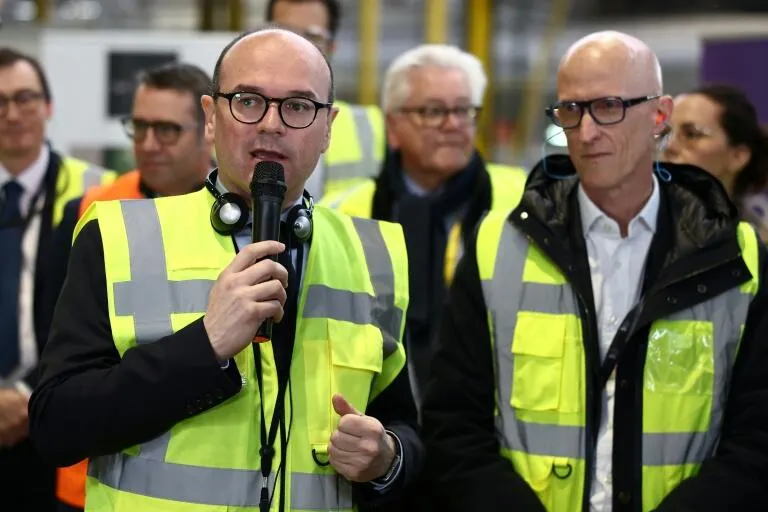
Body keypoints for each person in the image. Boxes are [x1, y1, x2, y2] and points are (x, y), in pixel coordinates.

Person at [29, 28, 423, 511]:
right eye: (248, 101)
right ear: (211, 117)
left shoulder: (374, 254)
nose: (271, 124)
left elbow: (404, 426)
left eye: (298, 106)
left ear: (328, 127)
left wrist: (387, 458)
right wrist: (205, 345)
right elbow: (56, 426)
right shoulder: (119, 237)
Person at [421, 30, 768, 512]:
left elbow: (756, 441)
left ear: (660, 117)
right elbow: (453, 426)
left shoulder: (736, 256)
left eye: (608, 107)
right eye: (571, 110)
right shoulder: (496, 248)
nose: (585, 133)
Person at [49, 61, 215, 512]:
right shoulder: (92, 211)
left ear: (209, 129)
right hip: (91, 476)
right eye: (139, 127)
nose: (148, 144)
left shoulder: (241, 222)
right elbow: (55, 340)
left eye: (167, 130)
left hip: (198, 475)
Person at [322, 43, 527, 405]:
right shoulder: (341, 215)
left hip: (495, 414)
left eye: (463, 110)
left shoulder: (525, 203)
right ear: (393, 126)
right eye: (433, 111)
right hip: (377, 414)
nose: (452, 124)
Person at [0, 47, 115, 511]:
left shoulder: (99, 192)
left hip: (54, 416)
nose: (12, 114)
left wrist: (26, 396)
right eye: (0, 101)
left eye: (25, 98)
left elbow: (103, 315)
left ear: (48, 106)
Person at [266, 0, 385, 199]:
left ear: (331, 47)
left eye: (312, 37)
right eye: (285, 33)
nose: (297, 47)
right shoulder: (234, 116)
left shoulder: (373, 126)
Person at [663, 84, 768, 241]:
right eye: (665, 133)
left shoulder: (758, 246)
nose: (669, 146)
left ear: (737, 157)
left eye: (691, 134)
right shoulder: (634, 232)